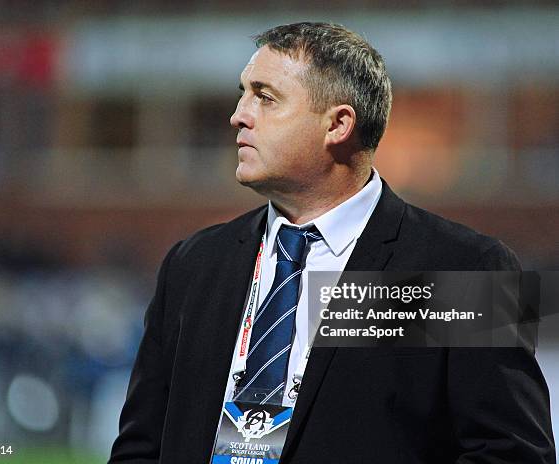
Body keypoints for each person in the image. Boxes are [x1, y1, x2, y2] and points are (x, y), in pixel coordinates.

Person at [109, 22, 555, 463]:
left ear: (338, 125)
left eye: (265, 97)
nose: (238, 114)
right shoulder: (195, 263)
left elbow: (510, 454)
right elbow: (141, 447)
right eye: (244, 93)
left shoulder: (464, 267)